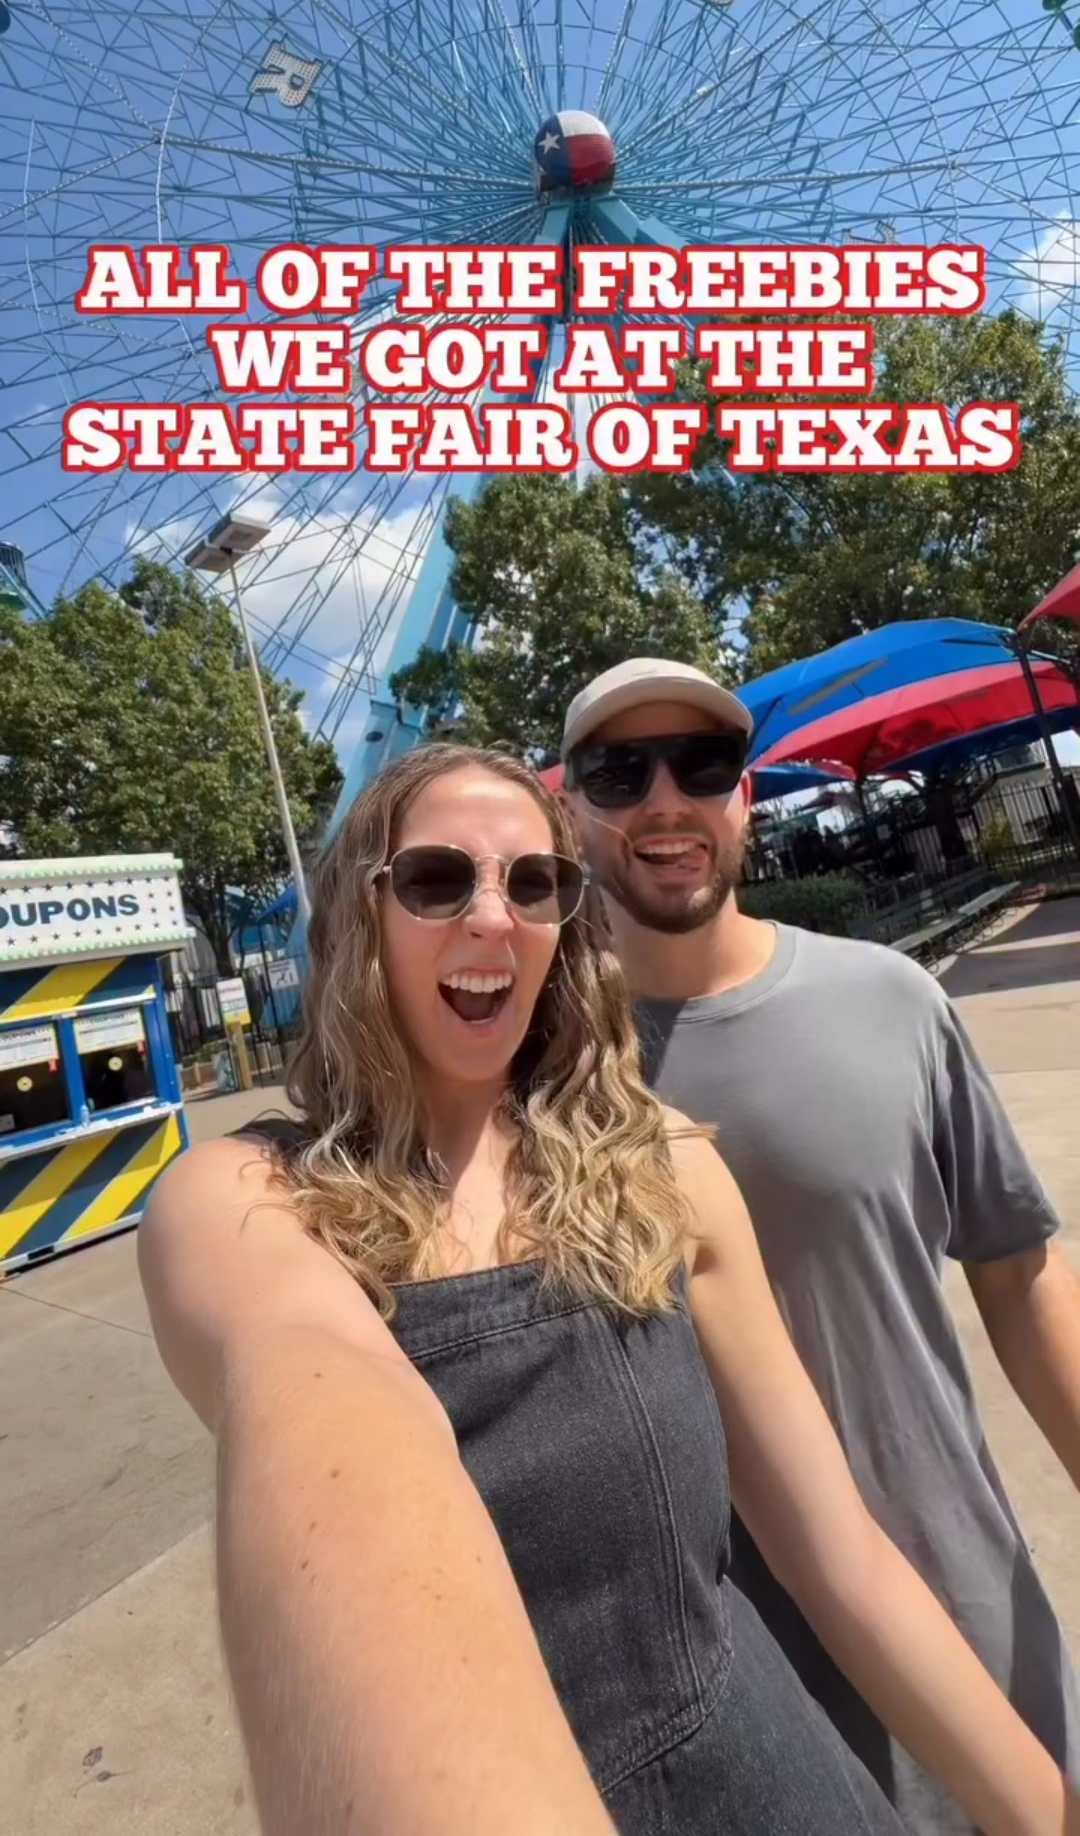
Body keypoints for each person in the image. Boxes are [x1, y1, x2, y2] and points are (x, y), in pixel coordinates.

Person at [138, 743, 1080, 1836]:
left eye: (534, 883)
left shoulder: (665, 1170)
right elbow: (318, 1398)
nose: (493, 916)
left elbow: (844, 1561)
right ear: (365, 913)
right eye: (441, 879)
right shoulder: (246, 1201)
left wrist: (1048, 1810)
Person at [560, 655, 1080, 1836]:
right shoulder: (534, 1085)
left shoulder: (892, 1001)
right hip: (722, 1690)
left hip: (965, 1607)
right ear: (572, 807)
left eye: (702, 764)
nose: (663, 801)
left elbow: (1024, 1276)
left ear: (744, 797)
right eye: (617, 769)